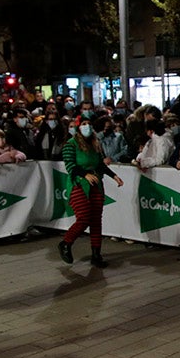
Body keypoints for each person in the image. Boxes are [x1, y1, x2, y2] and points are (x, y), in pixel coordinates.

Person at [57, 115, 124, 269]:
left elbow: (100, 164)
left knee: (95, 220)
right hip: (79, 184)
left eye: (88, 123)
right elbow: (70, 165)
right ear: (78, 127)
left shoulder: (95, 144)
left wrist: (114, 176)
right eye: (83, 124)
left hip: (95, 185)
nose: (87, 126)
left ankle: (96, 254)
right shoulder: (70, 144)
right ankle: (66, 243)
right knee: (84, 217)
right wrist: (84, 174)